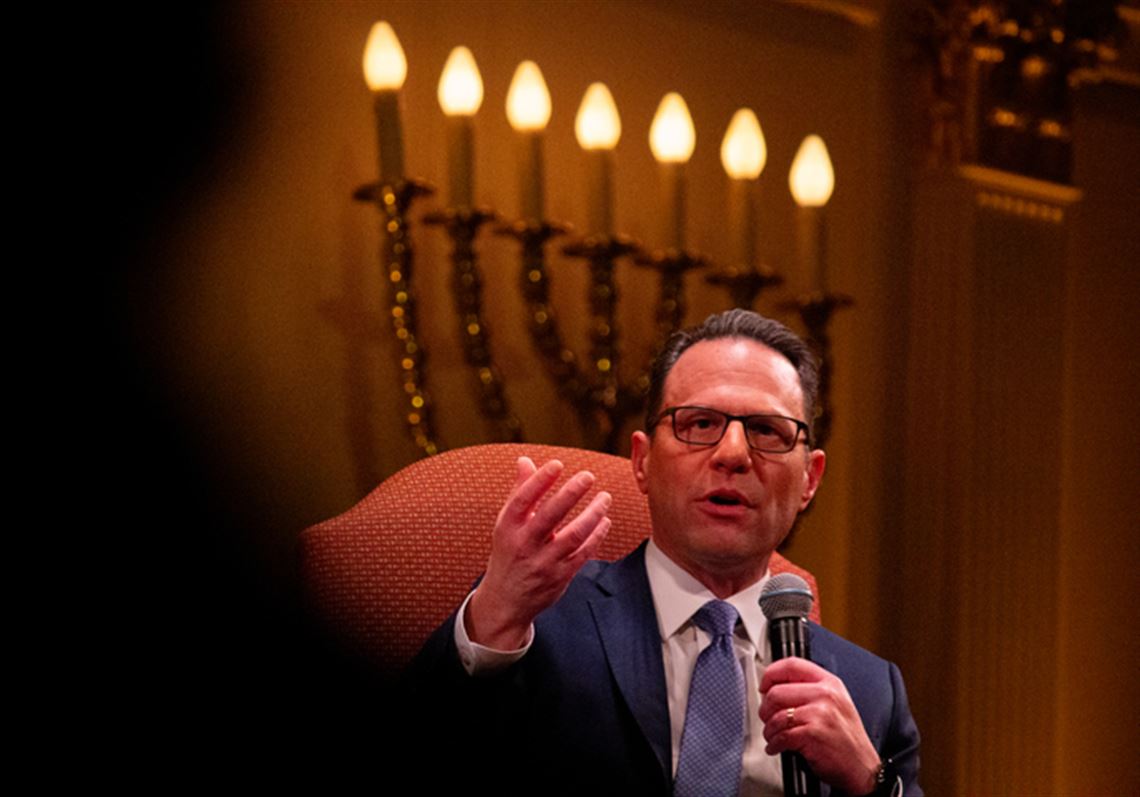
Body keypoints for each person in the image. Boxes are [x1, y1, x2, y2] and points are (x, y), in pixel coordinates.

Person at [402, 309, 920, 797]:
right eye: (700, 424)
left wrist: (871, 781)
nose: (733, 454)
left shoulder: (870, 691)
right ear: (642, 461)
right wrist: (496, 614)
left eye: (766, 431)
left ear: (810, 479)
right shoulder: (535, 620)